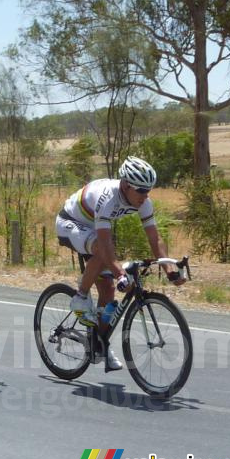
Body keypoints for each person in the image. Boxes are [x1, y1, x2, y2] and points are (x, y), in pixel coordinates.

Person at [55, 156, 186, 370]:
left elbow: (155, 238)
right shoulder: (107, 197)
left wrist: (170, 270)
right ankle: (79, 297)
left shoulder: (143, 201)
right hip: (70, 223)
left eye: (149, 190)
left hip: (91, 230)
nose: (145, 195)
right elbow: (105, 243)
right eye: (141, 190)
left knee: (108, 291)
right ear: (126, 185)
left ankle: (99, 343)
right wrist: (120, 274)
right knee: (101, 249)